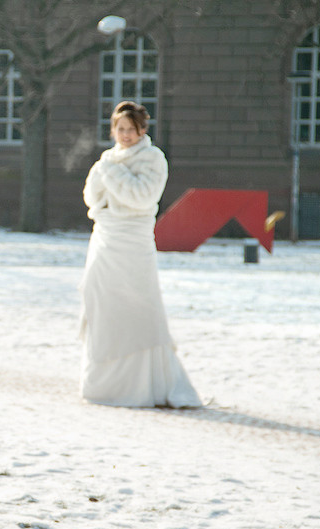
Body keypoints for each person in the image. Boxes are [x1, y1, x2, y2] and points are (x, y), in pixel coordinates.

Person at [79, 101, 201, 409]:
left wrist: (111, 173)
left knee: (138, 309)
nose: (124, 135)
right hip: (105, 240)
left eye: (130, 130)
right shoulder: (107, 159)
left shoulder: (153, 159)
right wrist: (107, 172)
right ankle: (104, 386)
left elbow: (141, 197)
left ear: (142, 130)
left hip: (133, 244)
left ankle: (143, 387)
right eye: (119, 129)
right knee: (100, 303)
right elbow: (92, 198)